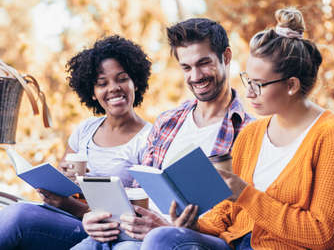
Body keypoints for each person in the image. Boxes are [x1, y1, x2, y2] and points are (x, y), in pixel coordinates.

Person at [140, 7, 334, 250]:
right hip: (234, 245)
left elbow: (322, 235)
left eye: (258, 84)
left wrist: (246, 194)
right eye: (248, 80)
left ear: (291, 85)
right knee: (161, 238)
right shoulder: (251, 135)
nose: (248, 93)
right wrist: (192, 225)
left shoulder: (333, 136)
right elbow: (228, 212)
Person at [73, 18, 253, 250]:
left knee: (147, 242)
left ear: (226, 57)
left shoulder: (248, 131)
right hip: (139, 233)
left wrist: (169, 226)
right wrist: (92, 216)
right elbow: (138, 189)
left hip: (194, 237)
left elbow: (242, 218)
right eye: (186, 68)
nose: (196, 76)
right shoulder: (169, 121)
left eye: (204, 63)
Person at [0, 35, 153, 250]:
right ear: (92, 92)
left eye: (122, 78)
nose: (114, 88)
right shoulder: (85, 130)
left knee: (20, 217)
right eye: (102, 83)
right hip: (73, 221)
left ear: (135, 81)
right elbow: (66, 189)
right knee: (16, 213)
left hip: (111, 232)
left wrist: (69, 205)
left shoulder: (150, 139)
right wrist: (61, 185)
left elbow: (139, 213)